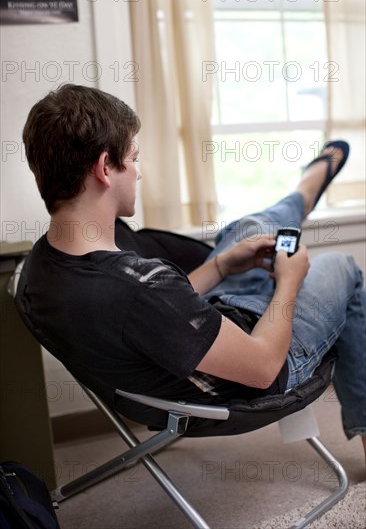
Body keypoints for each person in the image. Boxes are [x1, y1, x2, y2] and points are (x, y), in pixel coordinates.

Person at [17, 84, 365, 461]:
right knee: (340, 266)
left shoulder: (41, 266)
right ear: (104, 168)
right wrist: (289, 282)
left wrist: (221, 265)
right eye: (133, 158)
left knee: (249, 229)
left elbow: (156, 318)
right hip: (260, 363)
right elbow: (263, 367)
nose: (137, 173)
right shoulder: (139, 287)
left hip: (205, 336)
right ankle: (306, 188)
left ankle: (303, 190)